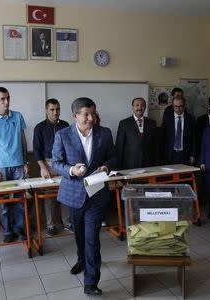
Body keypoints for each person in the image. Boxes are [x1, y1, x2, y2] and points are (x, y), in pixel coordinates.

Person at [52, 97, 116, 295]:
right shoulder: (62, 135)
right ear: (75, 116)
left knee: (92, 238)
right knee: (79, 234)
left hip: (96, 193)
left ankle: (91, 282)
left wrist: (106, 166)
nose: (91, 117)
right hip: (74, 194)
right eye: (86, 114)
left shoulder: (104, 133)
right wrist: (72, 170)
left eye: (93, 113)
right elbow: (56, 163)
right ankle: (81, 260)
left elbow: (113, 157)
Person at [0, 87, 28, 243]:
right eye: (2, 99)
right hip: (1, 168)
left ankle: (20, 229)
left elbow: (23, 140)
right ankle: (8, 231)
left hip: (18, 166)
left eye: (8, 98)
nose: (6, 101)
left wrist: (25, 161)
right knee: (4, 202)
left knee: (20, 200)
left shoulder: (17, 116)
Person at [33, 98, 70, 236]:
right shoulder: (40, 127)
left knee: (65, 193)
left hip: (64, 163)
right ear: (46, 110)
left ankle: (67, 222)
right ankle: (51, 225)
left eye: (58, 109)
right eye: (52, 110)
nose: (55, 112)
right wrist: (43, 167)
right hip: (47, 163)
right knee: (49, 196)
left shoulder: (66, 125)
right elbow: (36, 150)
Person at [116, 97, 157, 169]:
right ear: (133, 107)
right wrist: (118, 166)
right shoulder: (124, 123)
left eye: (142, 105)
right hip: (130, 164)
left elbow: (155, 146)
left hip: (148, 164)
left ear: (145, 107)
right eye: (137, 105)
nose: (139, 108)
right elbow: (119, 146)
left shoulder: (152, 123)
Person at [161, 95, 196, 165]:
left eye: (180, 106)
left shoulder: (191, 119)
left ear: (184, 105)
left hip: (185, 154)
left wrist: (193, 155)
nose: (178, 109)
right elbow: (163, 138)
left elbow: (194, 138)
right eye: (175, 106)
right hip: (170, 154)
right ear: (172, 106)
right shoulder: (167, 118)